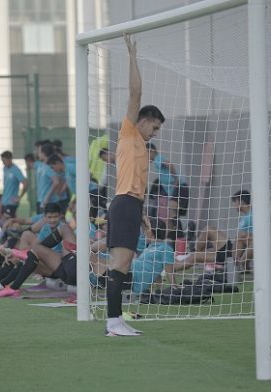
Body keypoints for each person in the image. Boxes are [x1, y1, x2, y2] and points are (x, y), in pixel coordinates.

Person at [105, 34, 165, 337]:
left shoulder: (141, 147)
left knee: (121, 263)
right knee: (122, 263)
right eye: (154, 127)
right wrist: (132, 55)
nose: (154, 133)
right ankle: (114, 322)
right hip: (124, 203)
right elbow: (135, 93)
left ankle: (114, 321)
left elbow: (135, 185)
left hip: (129, 205)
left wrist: (142, 215)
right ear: (144, 120)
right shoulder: (129, 134)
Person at [0, 150, 28, 219]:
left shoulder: (16, 170)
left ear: (10, 159)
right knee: (12, 221)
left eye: (4, 160)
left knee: (6, 219)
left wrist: (19, 197)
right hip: (5, 200)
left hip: (12, 201)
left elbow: (25, 183)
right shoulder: (5, 169)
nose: (3, 163)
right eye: (2, 160)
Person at [233, 190, 253, 272]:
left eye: (235, 202)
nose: (233, 205)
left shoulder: (252, 215)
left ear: (241, 201)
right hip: (240, 247)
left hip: (252, 246)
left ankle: (237, 264)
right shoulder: (246, 216)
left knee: (241, 236)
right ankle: (236, 263)